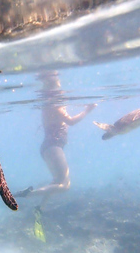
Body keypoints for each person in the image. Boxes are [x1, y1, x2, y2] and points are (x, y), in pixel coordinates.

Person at [16, 71, 96, 207]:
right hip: (53, 146)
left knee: (58, 181)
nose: (62, 92)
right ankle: (27, 194)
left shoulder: (51, 104)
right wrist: (87, 110)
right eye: (59, 86)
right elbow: (70, 121)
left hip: (51, 146)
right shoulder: (54, 104)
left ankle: (40, 206)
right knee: (65, 185)